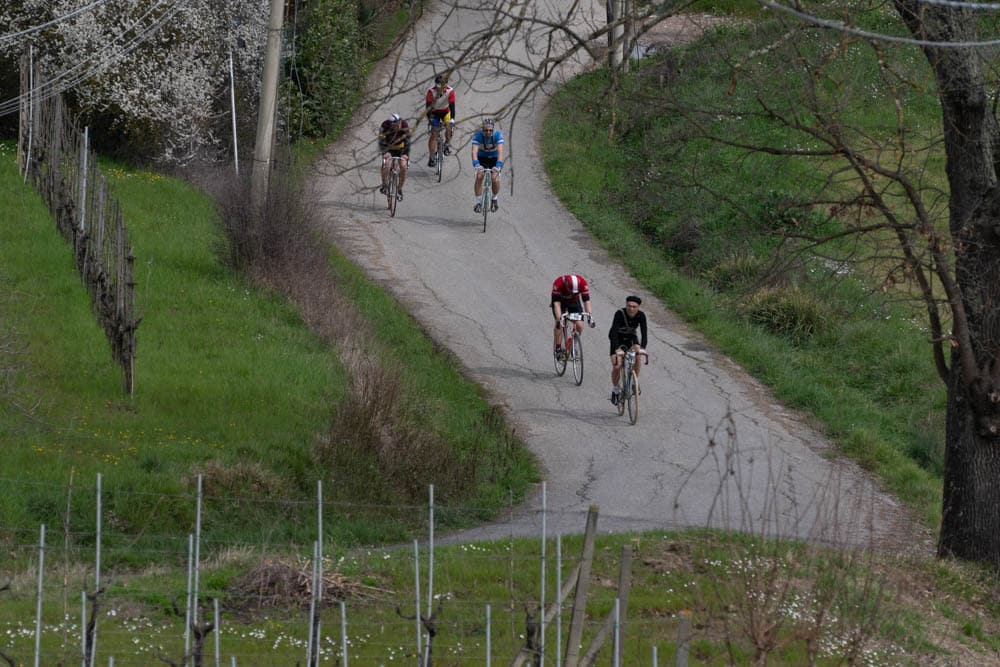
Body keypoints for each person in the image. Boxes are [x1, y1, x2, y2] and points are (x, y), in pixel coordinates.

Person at [608, 295, 648, 405]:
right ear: (626, 305)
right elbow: (614, 332)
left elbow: (644, 333)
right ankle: (615, 390)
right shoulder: (619, 313)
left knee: (638, 353)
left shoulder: (641, 315)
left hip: (631, 339)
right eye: (629, 306)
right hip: (617, 339)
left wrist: (643, 348)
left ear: (638, 307)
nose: (631, 309)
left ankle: (634, 382)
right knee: (617, 365)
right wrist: (616, 349)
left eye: (634, 307)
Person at [551, 274, 595, 359]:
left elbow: (586, 301)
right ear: (566, 284)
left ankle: (573, 345)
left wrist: (590, 316)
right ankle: (558, 348)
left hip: (573, 302)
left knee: (579, 325)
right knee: (560, 323)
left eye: (575, 291)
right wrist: (559, 319)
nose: (572, 292)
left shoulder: (582, 282)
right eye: (571, 290)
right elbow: (556, 304)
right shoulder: (558, 283)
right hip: (560, 302)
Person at [471, 117, 504, 213]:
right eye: (486, 130)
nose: (488, 132)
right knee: (479, 176)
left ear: (493, 130)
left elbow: (500, 152)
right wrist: (476, 164)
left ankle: (494, 198)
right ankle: (478, 202)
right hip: (482, 158)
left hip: (495, 159)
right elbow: (474, 152)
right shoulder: (478, 135)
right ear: (482, 129)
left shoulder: (498, 135)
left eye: (490, 130)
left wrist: (498, 165)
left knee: (495, 179)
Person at [425, 74, 456, 167]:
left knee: (449, 128)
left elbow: (452, 106)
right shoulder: (431, 91)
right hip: (434, 113)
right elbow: (428, 107)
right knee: (434, 134)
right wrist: (430, 119)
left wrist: (452, 119)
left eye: (442, 86)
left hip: (446, 112)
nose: (440, 88)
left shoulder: (450, 91)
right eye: (438, 85)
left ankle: (447, 144)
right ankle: (431, 157)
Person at [378, 113, 411, 200]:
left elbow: (408, 141)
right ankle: (384, 185)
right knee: (386, 164)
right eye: (396, 125)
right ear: (391, 124)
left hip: (401, 149)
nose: (398, 126)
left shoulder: (404, 125)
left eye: (399, 124)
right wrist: (385, 152)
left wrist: (405, 154)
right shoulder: (384, 126)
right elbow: (381, 140)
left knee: (403, 167)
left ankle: (399, 190)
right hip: (389, 148)